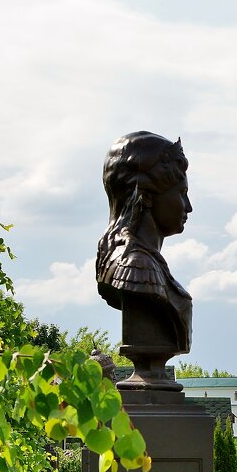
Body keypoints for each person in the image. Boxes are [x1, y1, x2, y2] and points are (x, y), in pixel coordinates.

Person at [95, 131, 194, 388]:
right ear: (147, 196)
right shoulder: (137, 266)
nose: (188, 206)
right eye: (181, 193)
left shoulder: (150, 264)